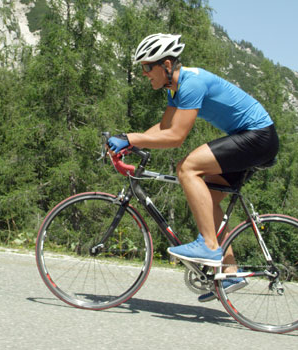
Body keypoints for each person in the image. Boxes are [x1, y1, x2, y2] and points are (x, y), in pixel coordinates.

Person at [106, 33, 279, 302]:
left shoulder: (192, 83)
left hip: (258, 136)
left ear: (165, 64)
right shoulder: (175, 89)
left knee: (187, 168)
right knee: (209, 198)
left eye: (147, 66)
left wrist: (131, 139)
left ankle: (209, 246)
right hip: (249, 138)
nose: (144, 73)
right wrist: (130, 142)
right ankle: (230, 271)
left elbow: (176, 137)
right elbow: (164, 128)